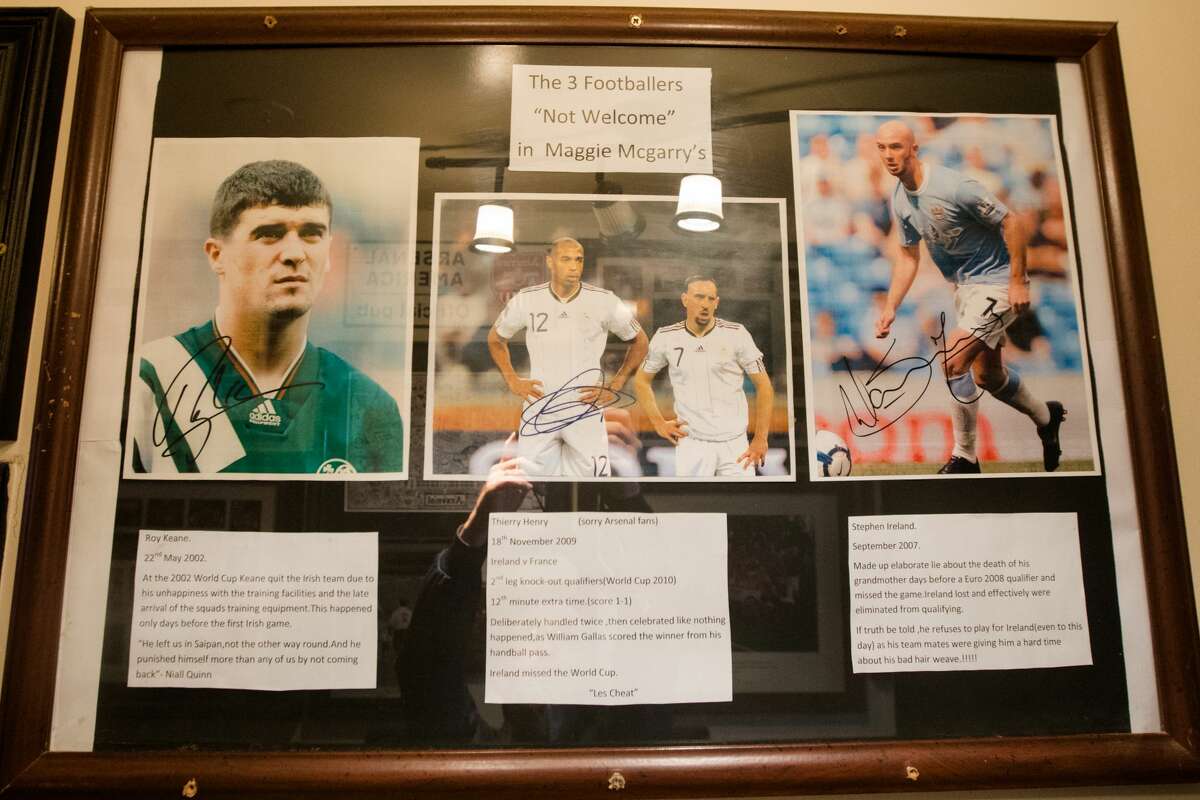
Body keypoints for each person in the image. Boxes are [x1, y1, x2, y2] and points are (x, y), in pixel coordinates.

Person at [128, 159, 404, 475]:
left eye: (311, 233)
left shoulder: (368, 403)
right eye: (269, 234)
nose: (294, 254)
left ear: (327, 253)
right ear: (217, 255)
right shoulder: (148, 381)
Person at [872, 120, 1064, 474]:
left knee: (952, 360)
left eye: (896, 146)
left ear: (914, 148)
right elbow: (908, 255)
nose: (889, 155)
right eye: (882, 147)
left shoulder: (954, 186)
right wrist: (891, 306)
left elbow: (1014, 223)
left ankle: (966, 457)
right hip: (965, 288)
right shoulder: (900, 199)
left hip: (997, 283)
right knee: (988, 377)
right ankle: (1046, 416)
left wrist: (1019, 281)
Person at [487, 237, 649, 477]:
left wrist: (615, 384)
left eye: (578, 260)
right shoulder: (528, 299)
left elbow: (641, 342)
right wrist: (512, 380)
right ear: (550, 262)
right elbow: (495, 339)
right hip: (541, 402)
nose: (574, 266)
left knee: (593, 479)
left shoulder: (604, 300)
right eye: (565, 259)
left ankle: (582, 516)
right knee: (531, 478)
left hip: (584, 403)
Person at [634, 276, 774, 477]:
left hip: (735, 444)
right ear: (685, 299)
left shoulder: (737, 334)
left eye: (711, 299)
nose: (705, 304)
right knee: (693, 505)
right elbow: (641, 380)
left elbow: (764, 386)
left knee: (740, 503)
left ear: (717, 303)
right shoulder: (666, 337)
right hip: (692, 443)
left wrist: (761, 438)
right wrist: (658, 423)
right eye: (699, 297)